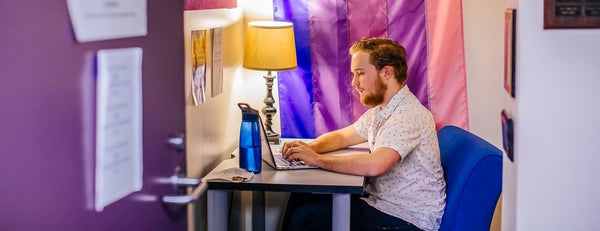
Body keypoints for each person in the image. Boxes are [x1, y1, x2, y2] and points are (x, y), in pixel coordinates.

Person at [281, 37, 446, 231]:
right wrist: (308, 148)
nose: (354, 82)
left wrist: (317, 159)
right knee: (301, 195)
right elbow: (343, 137)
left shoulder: (407, 115)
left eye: (360, 73)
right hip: (383, 204)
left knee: (306, 218)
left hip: (407, 219)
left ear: (386, 72)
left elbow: (374, 165)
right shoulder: (382, 110)